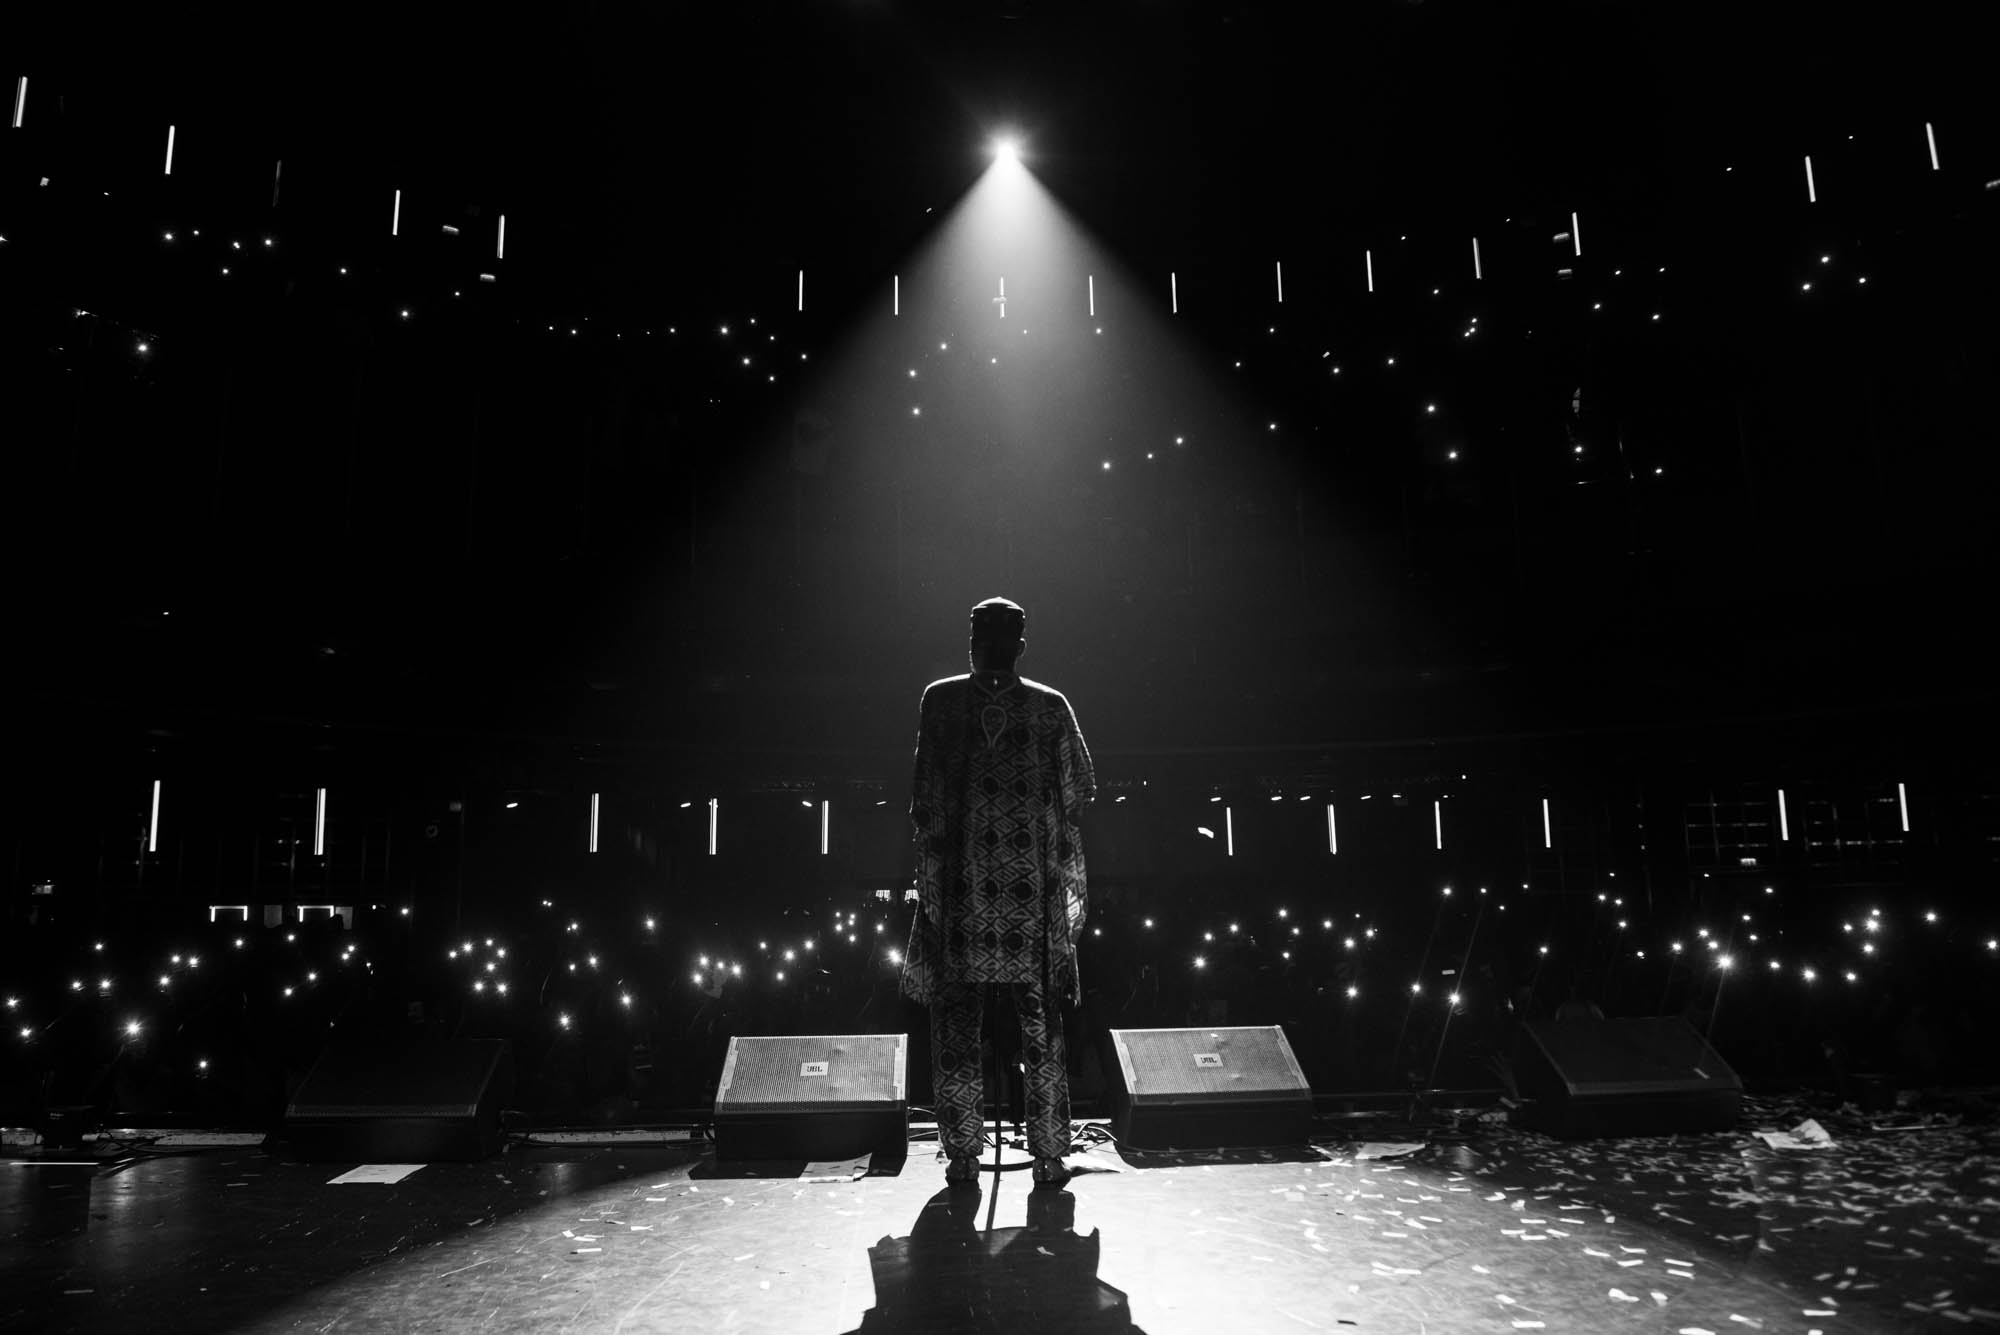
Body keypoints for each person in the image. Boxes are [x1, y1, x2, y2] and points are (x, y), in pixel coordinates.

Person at [901, 598, 1095, 1189]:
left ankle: (971, 1154)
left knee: (968, 1031)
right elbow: (1080, 789)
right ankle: (1042, 1153)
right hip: (1019, 901)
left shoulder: (948, 701)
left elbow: (923, 804)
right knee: (1033, 1030)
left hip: (975, 902)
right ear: (1020, 643)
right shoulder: (1044, 706)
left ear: (977, 641)